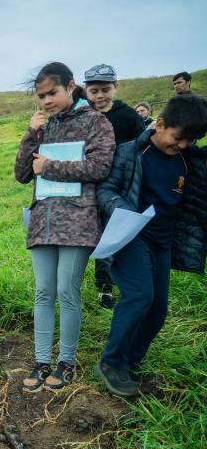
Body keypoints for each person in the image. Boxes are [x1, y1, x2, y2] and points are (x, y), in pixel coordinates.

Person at [95, 94, 207, 397]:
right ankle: (111, 361)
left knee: (158, 312)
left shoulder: (190, 160)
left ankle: (130, 361)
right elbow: (105, 190)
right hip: (130, 235)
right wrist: (123, 209)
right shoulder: (131, 152)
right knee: (139, 296)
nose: (182, 145)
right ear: (159, 124)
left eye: (191, 141)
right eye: (179, 138)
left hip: (163, 241)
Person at [15, 62, 115, 393]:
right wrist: (32, 134)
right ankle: (42, 360)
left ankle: (66, 361)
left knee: (65, 291)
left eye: (52, 93)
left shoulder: (95, 122)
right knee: (43, 292)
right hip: (42, 221)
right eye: (41, 96)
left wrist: (52, 166)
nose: (46, 101)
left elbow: (100, 167)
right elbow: (22, 174)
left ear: (71, 86)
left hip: (77, 221)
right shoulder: (43, 126)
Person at [83, 64, 145, 309]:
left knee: (115, 233)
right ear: (87, 91)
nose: (99, 95)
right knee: (95, 236)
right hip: (88, 185)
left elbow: (141, 148)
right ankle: (103, 285)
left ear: (116, 87)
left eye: (105, 89)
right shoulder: (83, 115)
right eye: (94, 90)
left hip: (119, 188)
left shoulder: (129, 116)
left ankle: (112, 283)